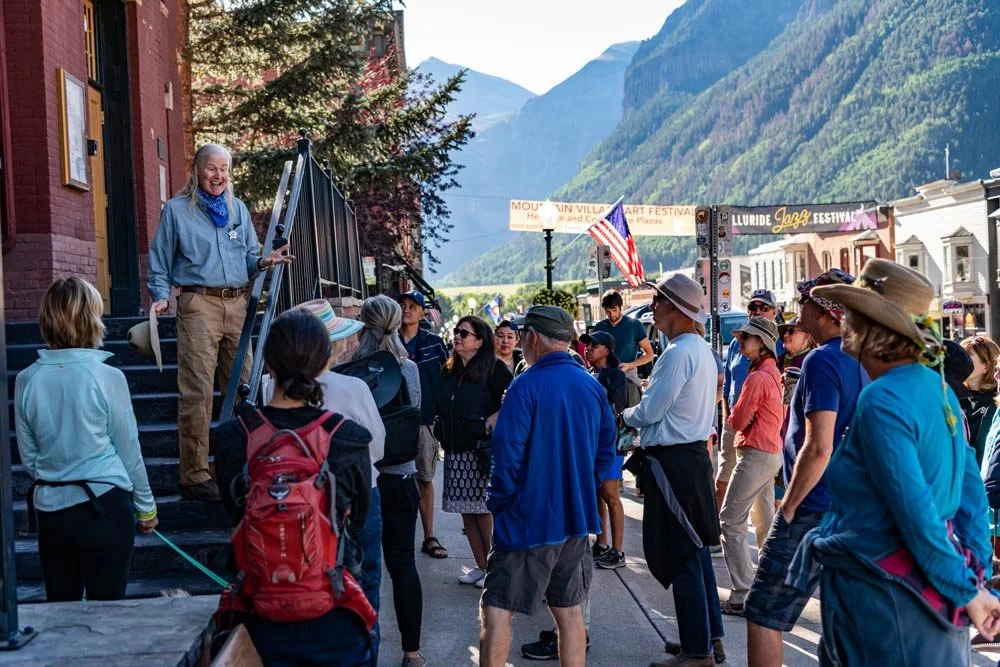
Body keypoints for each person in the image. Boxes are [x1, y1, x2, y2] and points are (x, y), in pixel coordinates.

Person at [785, 259, 1000, 664]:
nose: (842, 319)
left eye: (852, 312)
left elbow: (914, 513)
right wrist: (973, 580)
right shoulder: (937, 388)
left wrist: (969, 592)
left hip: (884, 607)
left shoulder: (883, 400)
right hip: (925, 605)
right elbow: (970, 498)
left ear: (871, 326)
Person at [213, 308, 375, 665]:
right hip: (333, 613)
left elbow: (235, 509)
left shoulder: (230, 437)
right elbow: (359, 517)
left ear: (268, 363)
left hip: (258, 620)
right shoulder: (347, 437)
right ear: (324, 363)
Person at [148, 143, 293, 501]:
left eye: (224, 169)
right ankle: (195, 476)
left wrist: (262, 262)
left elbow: (246, 256)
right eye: (212, 168)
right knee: (197, 392)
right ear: (197, 170)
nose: (218, 176)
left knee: (244, 387)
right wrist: (161, 293)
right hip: (199, 304)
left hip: (237, 304)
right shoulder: (178, 211)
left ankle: (242, 464)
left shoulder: (237, 208)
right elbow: (159, 259)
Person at [480, 306, 616, 667]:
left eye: (523, 335)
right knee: (569, 613)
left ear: (533, 338)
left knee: (497, 609)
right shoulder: (591, 385)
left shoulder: (524, 385)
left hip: (528, 517)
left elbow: (506, 455)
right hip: (575, 519)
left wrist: (498, 502)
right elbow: (607, 451)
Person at [741, 270, 865, 667]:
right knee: (840, 619)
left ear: (828, 313)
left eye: (806, 303)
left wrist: (789, 504)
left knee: (763, 611)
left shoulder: (822, 361)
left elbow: (818, 445)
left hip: (814, 504)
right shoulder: (865, 359)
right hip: (854, 508)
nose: (799, 311)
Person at [14, 277, 157, 601]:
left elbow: (29, 456)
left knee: (60, 611)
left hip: (52, 510)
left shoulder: (26, 380)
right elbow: (128, 449)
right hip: (105, 505)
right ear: (92, 319)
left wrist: (58, 472)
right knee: (108, 611)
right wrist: (146, 508)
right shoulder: (108, 377)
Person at [622, 274, 725, 667]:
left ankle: (696, 651)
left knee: (682, 555)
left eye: (657, 301)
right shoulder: (698, 349)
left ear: (673, 308)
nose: (652, 307)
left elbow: (650, 411)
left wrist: (626, 414)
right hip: (691, 460)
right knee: (696, 554)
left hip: (674, 465)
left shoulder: (678, 352)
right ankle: (707, 638)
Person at [352, 295, 426, 667]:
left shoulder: (350, 368)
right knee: (403, 564)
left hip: (365, 479)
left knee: (362, 569)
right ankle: (412, 651)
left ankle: (365, 649)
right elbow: (416, 409)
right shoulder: (408, 368)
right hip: (401, 474)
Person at [435, 315, 514, 586]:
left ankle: (495, 570)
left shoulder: (495, 369)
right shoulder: (449, 369)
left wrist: (489, 425)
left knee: (482, 511)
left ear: (480, 341)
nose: (457, 336)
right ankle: (482, 566)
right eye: (456, 332)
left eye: (464, 333)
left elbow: (513, 403)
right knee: (466, 512)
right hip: (455, 450)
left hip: (480, 452)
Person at [718, 317, 784, 617]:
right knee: (764, 522)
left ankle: (744, 593)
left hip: (755, 453)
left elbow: (738, 420)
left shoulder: (757, 377)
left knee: (730, 522)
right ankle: (769, 586)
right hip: (770, 453)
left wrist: (728, 414)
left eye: (748, 338)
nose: (742, 342)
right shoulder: (771, 372)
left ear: (763, 343)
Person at [398, 290, 450, 561]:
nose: (407, 310)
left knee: (425, 478)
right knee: (394, 479)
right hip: (394, 422)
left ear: (421, 313)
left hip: (425, 422)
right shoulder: (388, 341)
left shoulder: (433, 343)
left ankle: (429, 535)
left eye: (412, 306)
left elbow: (445, 379)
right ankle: (398, 536)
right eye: (403, 305)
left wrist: (442, 416)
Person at [718, 289, 782, 510]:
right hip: (736, 421)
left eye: (763, 307)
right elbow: (727, 382)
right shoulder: (738, 344)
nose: (756, 311)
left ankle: (727, 536)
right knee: (724, 479)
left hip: (760, 429)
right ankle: (715, 536)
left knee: (737, 514)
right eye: (752, 307)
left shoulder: (777, 346)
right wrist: (729, 417)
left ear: (774, 312)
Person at [581, 330, 628, 569]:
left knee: (611, 494)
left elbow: (616, 408)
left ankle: (618, 552)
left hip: (609, 445)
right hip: (592, 445)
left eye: (594, 346)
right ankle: (602, 543)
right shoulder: (589, 374)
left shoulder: (615, 377)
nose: (588, 349)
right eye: (587, 346)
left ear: (607, 350)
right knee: (599, 492)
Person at [593, 289, 654, 406]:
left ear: (621, 307)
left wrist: (630, 365)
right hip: (604, 379)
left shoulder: (634, 325)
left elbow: (649, 354)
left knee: (631, 418)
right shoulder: (599, 327)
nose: (612, 315)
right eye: (608, 311)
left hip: (629, 378)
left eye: (615, 310)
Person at [961, 335, 1000, 465]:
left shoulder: (996, 401)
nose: (960, 361)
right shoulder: (953, 395)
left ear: (986, 366)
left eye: (968, 356)